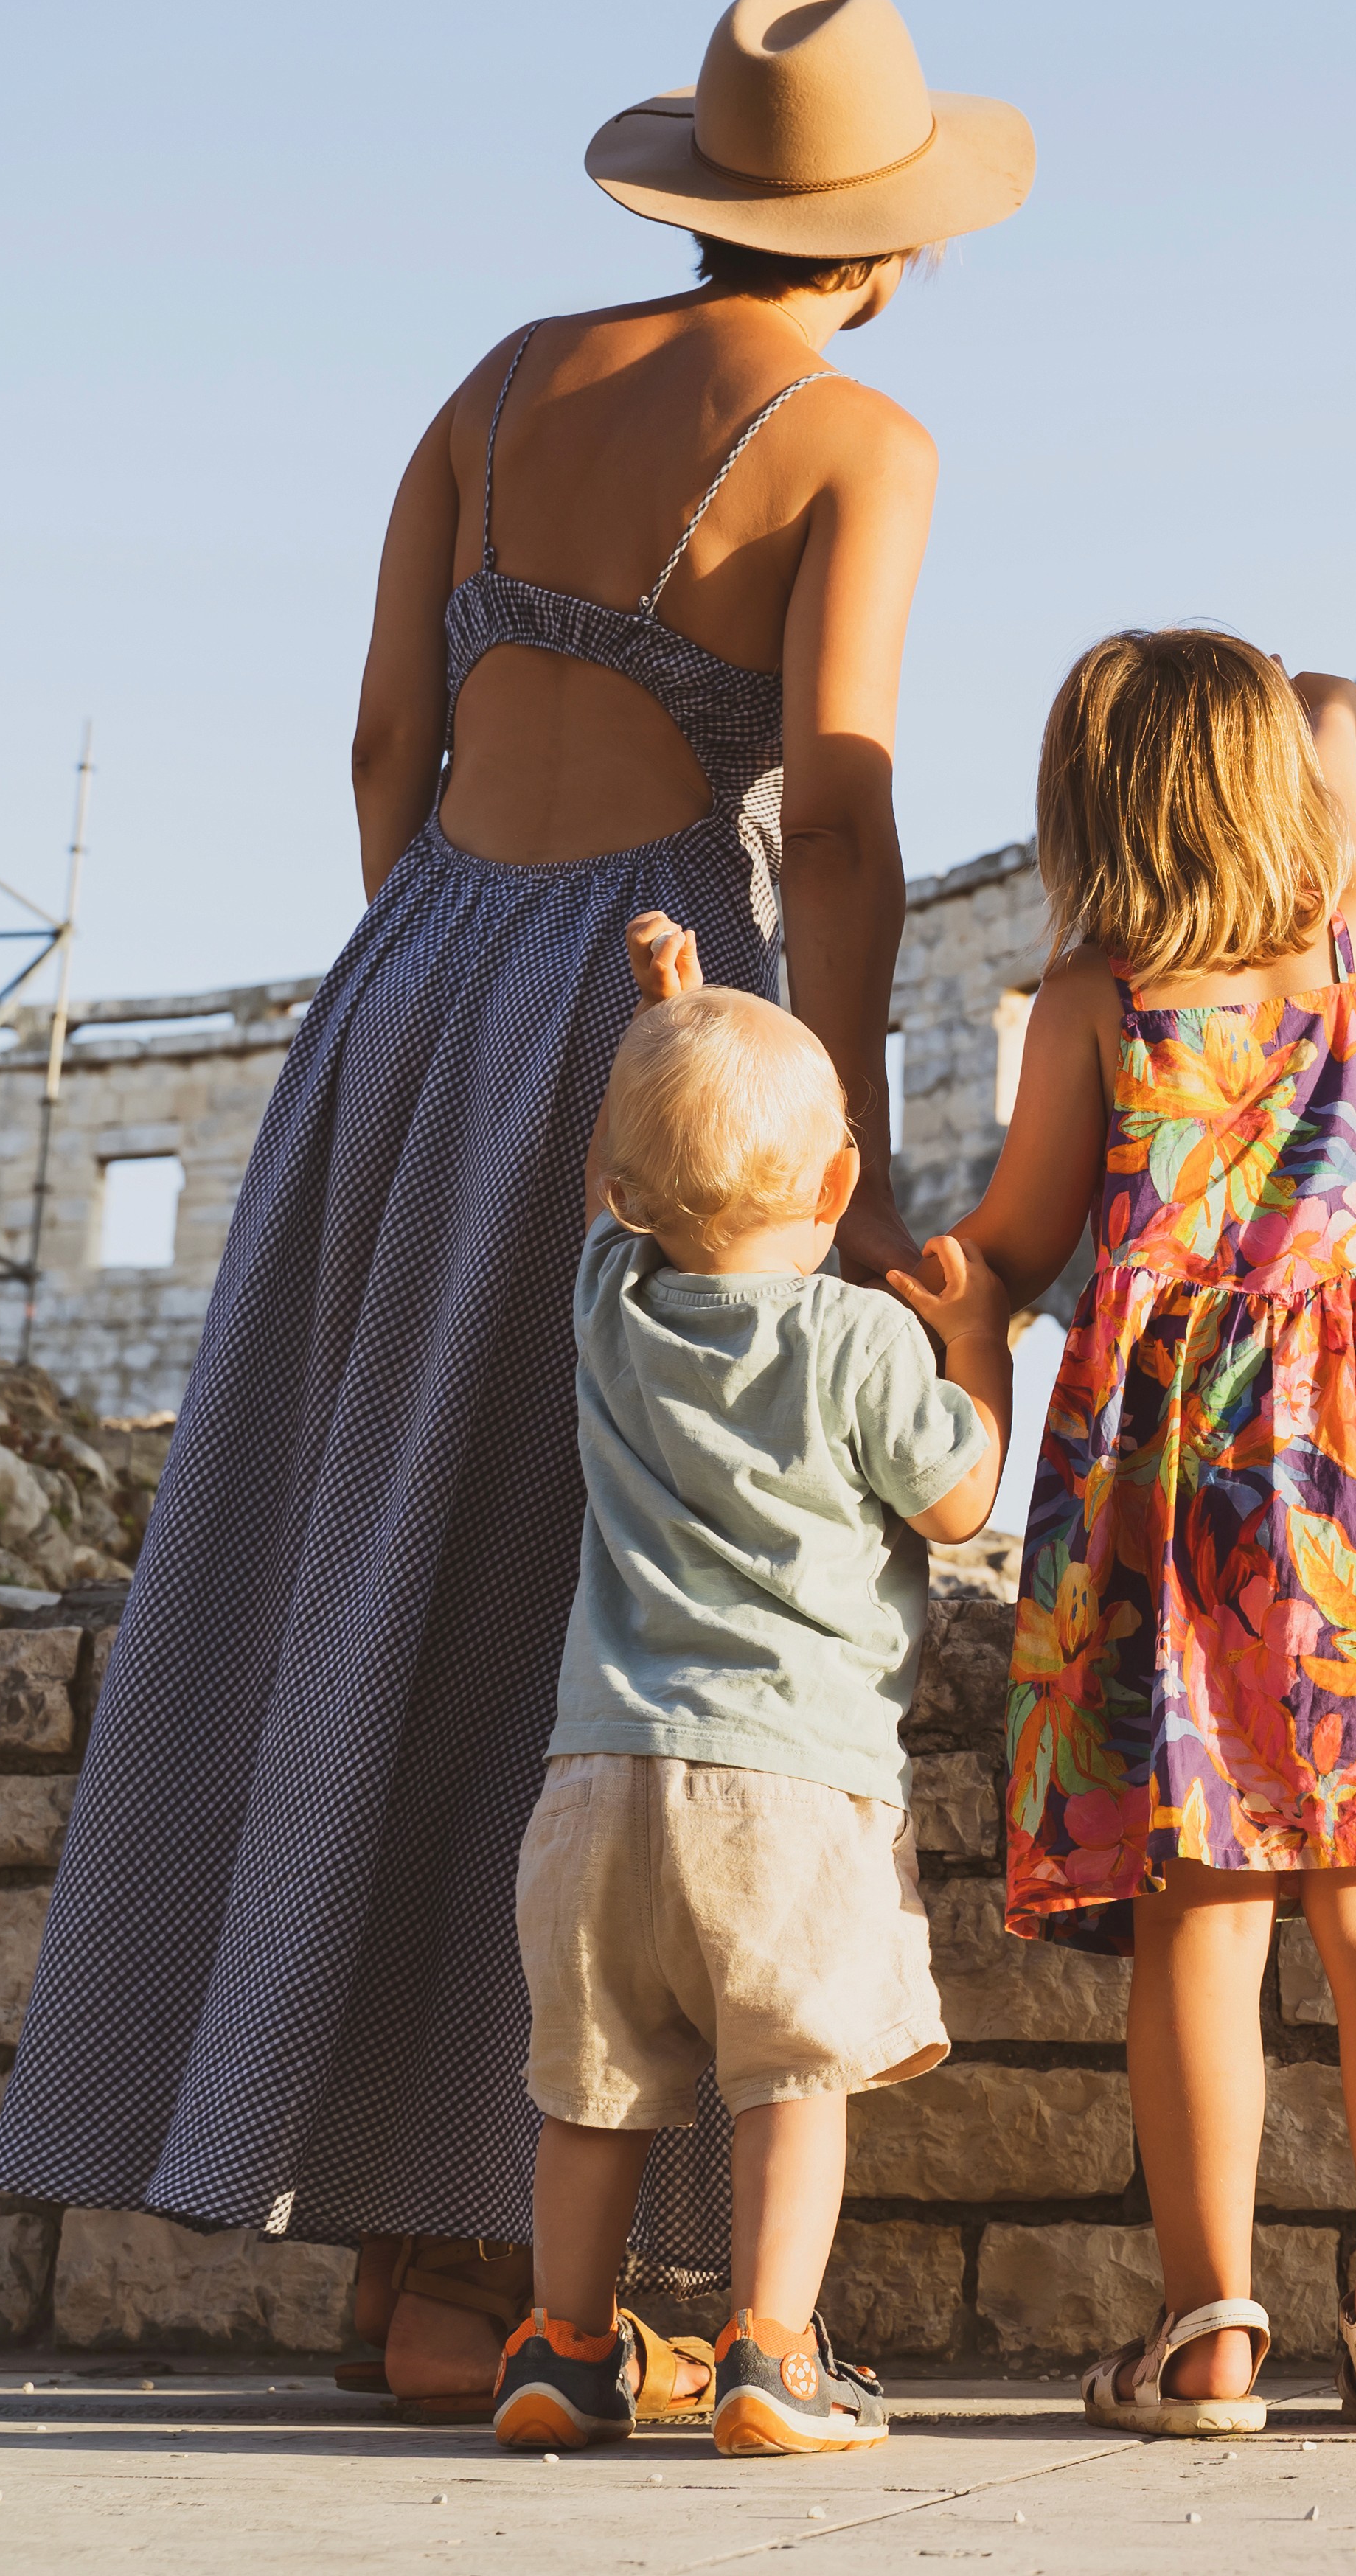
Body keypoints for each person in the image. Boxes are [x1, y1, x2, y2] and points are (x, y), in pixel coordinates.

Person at [0, 0, 1032, 2416]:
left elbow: (385, 733)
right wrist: (848, 1131)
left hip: (415, 975)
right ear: (883, 243)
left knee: (358, 1568)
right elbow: (843, 815)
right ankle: (467, 2273)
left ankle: (390, 2237)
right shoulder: (858, 439)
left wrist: (430, 978)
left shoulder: (493, 387)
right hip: (645, 1004)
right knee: (561, 1603)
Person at [946, 630, 1356, 2435]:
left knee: (1200, 1913)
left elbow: (1017, 1242)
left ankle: (1209, 2330)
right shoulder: (1350, 927)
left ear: (1097, 804)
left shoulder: (1095, 999)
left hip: (1182, 1466)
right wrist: (1314, 725)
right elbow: (1331, 773)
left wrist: (937, 1285)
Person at [493, 911, 1006, 2457]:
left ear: (627, 1198)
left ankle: (561, 2346)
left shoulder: (611, 1311)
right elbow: (959, 1503)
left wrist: (665, 1019)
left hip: (596, 1783)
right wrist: (977, 1346)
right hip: (788, 1786)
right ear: (838, 1186)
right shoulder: (860, 1341)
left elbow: (615, 1188)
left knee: (593, 2089)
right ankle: (769, 2355)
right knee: (792, 2074)